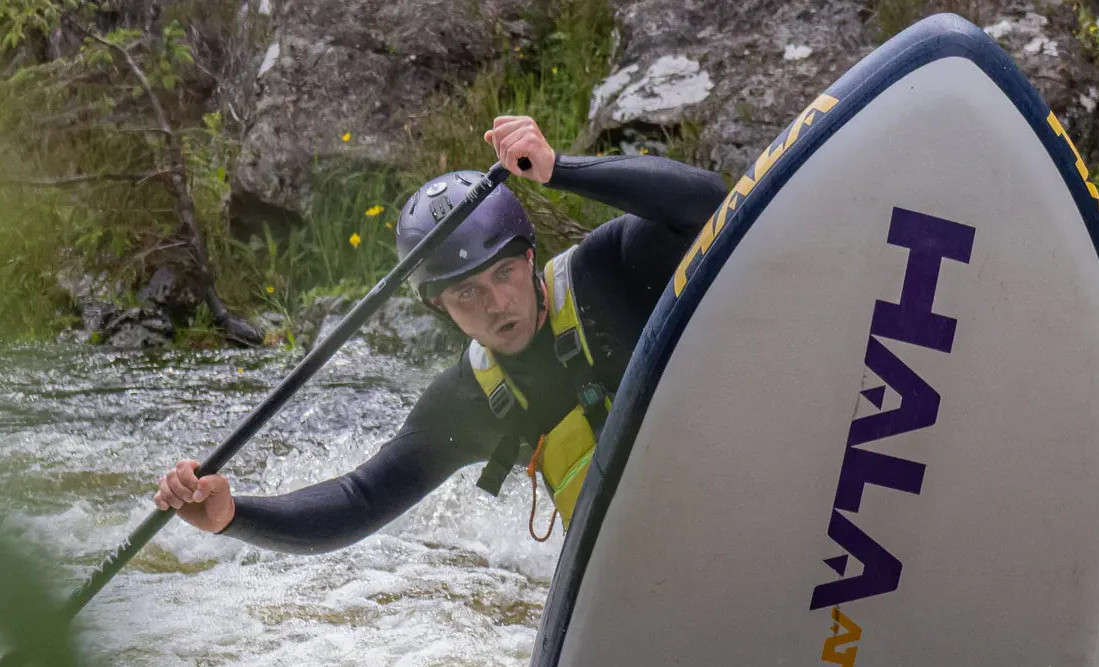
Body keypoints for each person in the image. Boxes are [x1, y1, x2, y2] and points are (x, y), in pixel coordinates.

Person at [153, 116, 726, 551]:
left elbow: (708, 203)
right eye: (467, 293)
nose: (497, 304)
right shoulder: (469, 400)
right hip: (641, 563)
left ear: (529, 258)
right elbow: (361, 499)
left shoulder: (609, 273)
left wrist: (559, 169)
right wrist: (233, 517)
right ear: (438, 307)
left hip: (728, 497)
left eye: (504, 273)